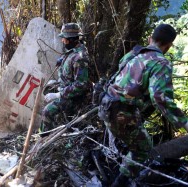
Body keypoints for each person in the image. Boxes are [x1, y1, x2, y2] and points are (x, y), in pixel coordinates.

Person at [98, 24, 188, 186]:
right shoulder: (161, 62)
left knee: (134, 143)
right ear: (169, 45)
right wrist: (185, 124)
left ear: (150, 39)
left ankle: (118, 172)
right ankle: (119, 183)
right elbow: (160, 99)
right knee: (143, 150)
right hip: (123, 114)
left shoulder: (133, 55)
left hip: (105, 107)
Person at [40, 23, 90, 133]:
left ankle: (44, 139)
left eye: (65, 39)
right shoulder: (72, 52)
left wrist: (59, 94)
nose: (63, 41)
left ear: (73, 39)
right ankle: (52, 131)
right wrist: (62, 60)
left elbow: (81, 85)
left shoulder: (79, 58)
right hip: (65, 90)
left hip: (74, 99)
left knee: (47, 112)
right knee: (47, 91)